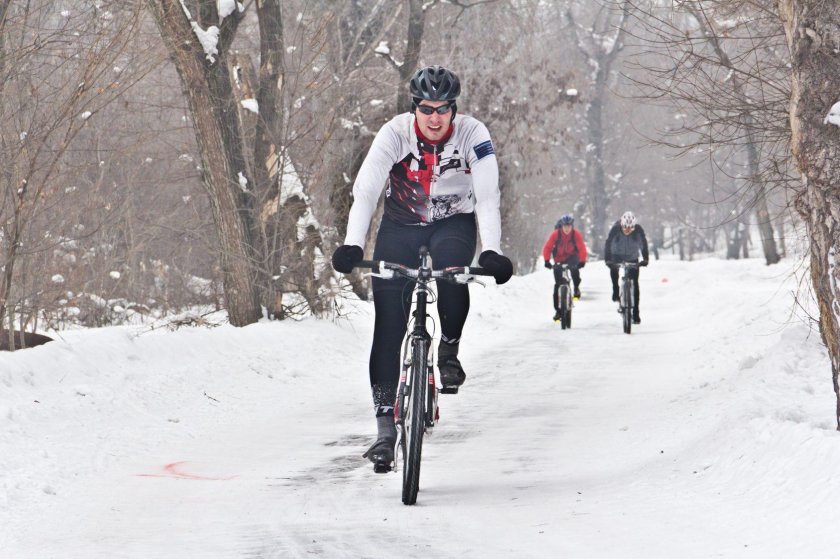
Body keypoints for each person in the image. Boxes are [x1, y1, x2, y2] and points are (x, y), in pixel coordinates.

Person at [330, 65, 513, 472]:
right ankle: (384, 431)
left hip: (454, 223)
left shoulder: (473, 134)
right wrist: (353, 245)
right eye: (426, 109)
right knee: (388, 325)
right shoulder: (394, 134)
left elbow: (486, 196)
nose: (434, 118)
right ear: (415, 108)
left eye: (443, 109)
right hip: (402, 225)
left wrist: (492, 251)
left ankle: (448, 348)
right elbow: (366, 191)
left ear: (454, 109)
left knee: (451, 269)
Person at [604, 211, 649, 324]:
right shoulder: (615, 229)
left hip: (632, 256)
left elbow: (643, 244)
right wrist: (608, 260)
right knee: (614, 269)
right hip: (617, 255)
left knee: (635, 283)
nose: (628, 231)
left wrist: (645, 259)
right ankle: (615, 289)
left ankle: (636, 312)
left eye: (630, 228)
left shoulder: (638, 230)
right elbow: (608, 244)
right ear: (621, 225)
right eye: (625, 228)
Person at [542, 214, 587, 321]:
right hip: (559, 259)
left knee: (574, 270)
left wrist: (582, 261)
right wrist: (547, 261)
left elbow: (582, 248)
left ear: (572, 226)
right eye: (565, 226)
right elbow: (547, 247)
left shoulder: (576, 235)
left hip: (572, 257)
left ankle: (576, 288)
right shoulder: (555, 235)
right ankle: (558, 311)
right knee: (557, 285)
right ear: (561, 226)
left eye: (569, 226)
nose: (567, 228)